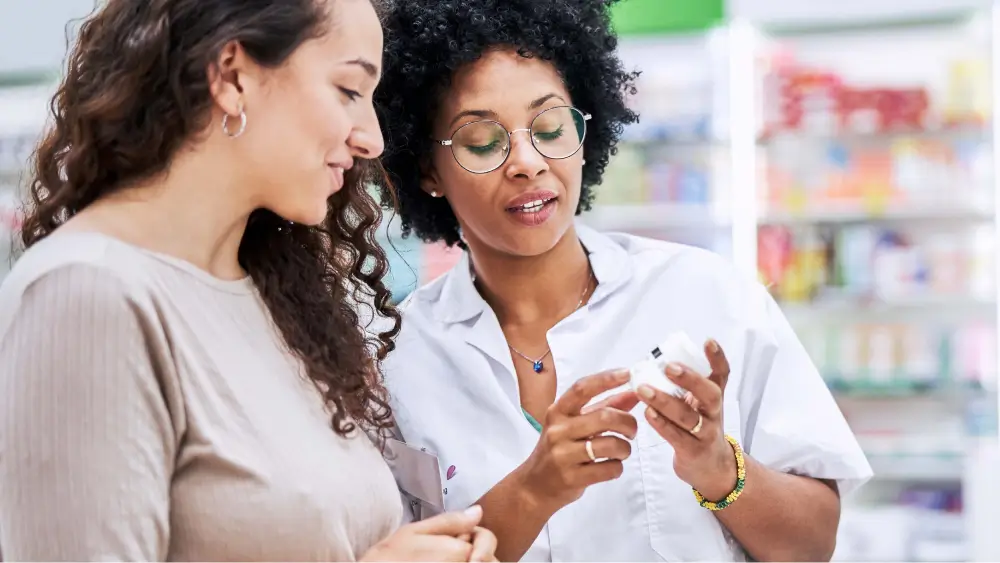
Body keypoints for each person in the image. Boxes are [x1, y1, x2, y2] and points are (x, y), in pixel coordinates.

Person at [373, 0, 874, 561]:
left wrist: (718, 467)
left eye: (549, 127)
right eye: (483, 141)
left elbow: (812, 544)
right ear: (425, 170)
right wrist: (533, 489)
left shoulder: (707, 294)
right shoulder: (399, 359)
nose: (528, 162)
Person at [0, 0, 499, 561]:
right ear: (234, 77)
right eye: (350, 91)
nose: (372, 139)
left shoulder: (273, 298)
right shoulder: (87, 295)